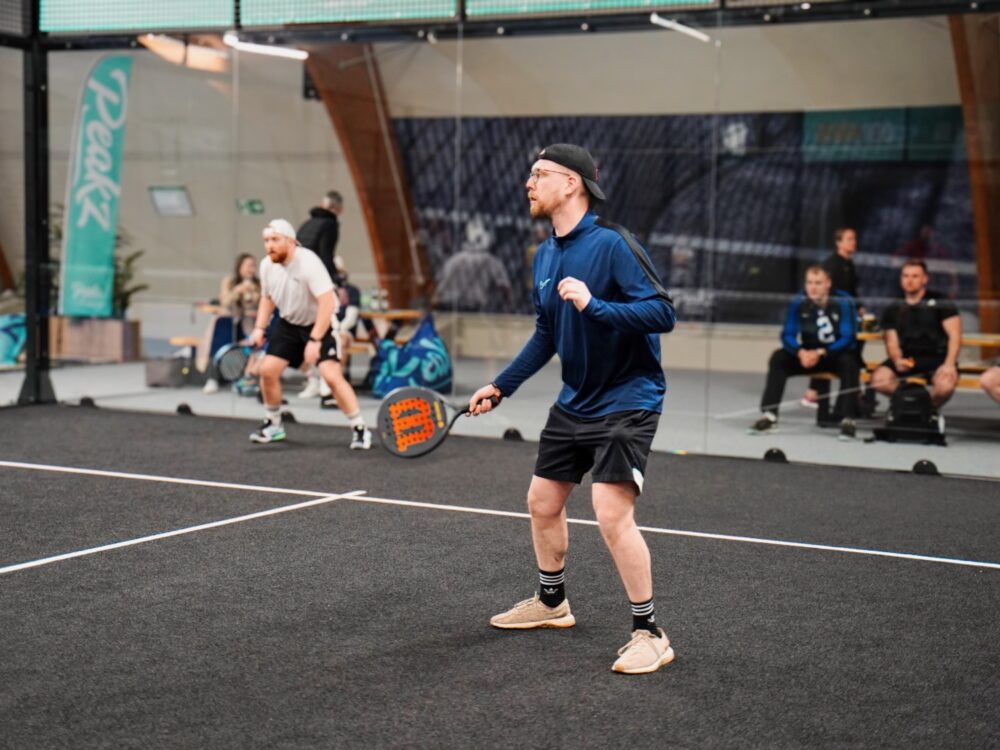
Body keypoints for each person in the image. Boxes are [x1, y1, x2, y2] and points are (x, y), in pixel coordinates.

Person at [467, 143, 678, 675]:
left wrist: (595, 304)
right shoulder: (545, 255)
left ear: (573, 183)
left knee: (611, 513)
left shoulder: (613, 245)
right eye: (530, 173)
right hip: (576, 400)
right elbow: (547, 334)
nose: (529, 183)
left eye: (539, 174)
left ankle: (650, 632)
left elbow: (661, 313)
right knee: (542, 501)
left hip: (628, 398)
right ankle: (552, 602)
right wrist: (500, 386)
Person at [248, 219, 372, 449]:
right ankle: (274, 425)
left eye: (275, 240)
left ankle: (360, 428)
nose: (269, 245)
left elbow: (326, 303)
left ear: (290, 241)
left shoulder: (309, 263)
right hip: (289, 323)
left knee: (331, 375)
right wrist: (259, 328)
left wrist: (315, 340)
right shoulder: (267, 266)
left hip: (320, 322)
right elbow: (267, 298)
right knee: (267, 371)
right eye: (266, 240)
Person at [749, 266, 860, 440]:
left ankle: (848, 420)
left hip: (833, 355)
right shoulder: (798, 301)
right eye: (809, 283)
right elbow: (787, 334)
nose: (813, 287)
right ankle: (769, 416)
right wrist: (800, 352)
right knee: (778, 358)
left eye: (818, 283)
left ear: (828, 284)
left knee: (850, 362)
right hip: (807, 355)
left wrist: (822, 352)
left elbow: (849, 338)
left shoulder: (843, 301)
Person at [870, 259, 961, 411]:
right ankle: (909, 407)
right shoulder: (893, 308)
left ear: (925, 279)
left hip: (937, 359)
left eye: (914, 276)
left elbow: (955, 335)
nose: (909, 280)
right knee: (879, 380)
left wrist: (949, 364)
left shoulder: (941, 302)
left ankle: (923, 412)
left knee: (945, 387)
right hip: (908, 359)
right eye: (905, 276)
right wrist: (897, 360)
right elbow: (892, 342)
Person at [803, 227, 867, 409]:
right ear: (839, 242)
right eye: (849, 239)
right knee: (833, 346)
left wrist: (859, 306)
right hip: (832, 315)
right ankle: (815, 392)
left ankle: (852, 392)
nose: (853, 242)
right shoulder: (832, 265)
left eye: (854, 238)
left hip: (846, 313)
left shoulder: (849, 264)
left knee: (853, 346)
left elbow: (851, 293)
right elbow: (830, 294)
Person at [296, 191, 344, 400]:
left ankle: (313, 380)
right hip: (317, 285)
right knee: (328, 331)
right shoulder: (330, 225)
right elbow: (325, 255)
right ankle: (327, 385)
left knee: (307, 332)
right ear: (337, 208)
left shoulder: (306, 225)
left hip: (299, 284)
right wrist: (336, 283)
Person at [203, 253, 262, 394]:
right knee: (221, 328)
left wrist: (252, 292)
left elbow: (260, 304)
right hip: (231, 320)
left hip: (249, 322)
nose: (251, 269)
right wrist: (237, 290)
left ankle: (249, 375)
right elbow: (225, 302)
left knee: (254, 338)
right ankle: (213, 377)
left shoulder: (258, 284)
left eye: (253, 266)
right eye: (248, 266)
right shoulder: (229, 281)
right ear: (239, 267)